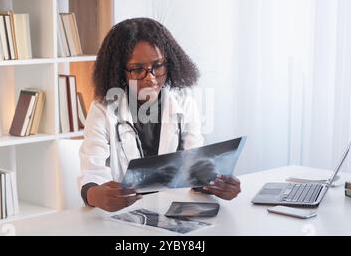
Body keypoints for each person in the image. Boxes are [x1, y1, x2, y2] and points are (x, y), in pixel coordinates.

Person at [78, 17, 241, 212]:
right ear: (118, 70)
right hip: (125, 215)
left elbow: (195, 167)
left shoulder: (184, 103)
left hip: (169, 211)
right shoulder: (103, 110)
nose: (151, 78)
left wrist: (215, 184)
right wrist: (96, 195)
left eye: (158, 66)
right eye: (138, 69)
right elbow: (91, 173)